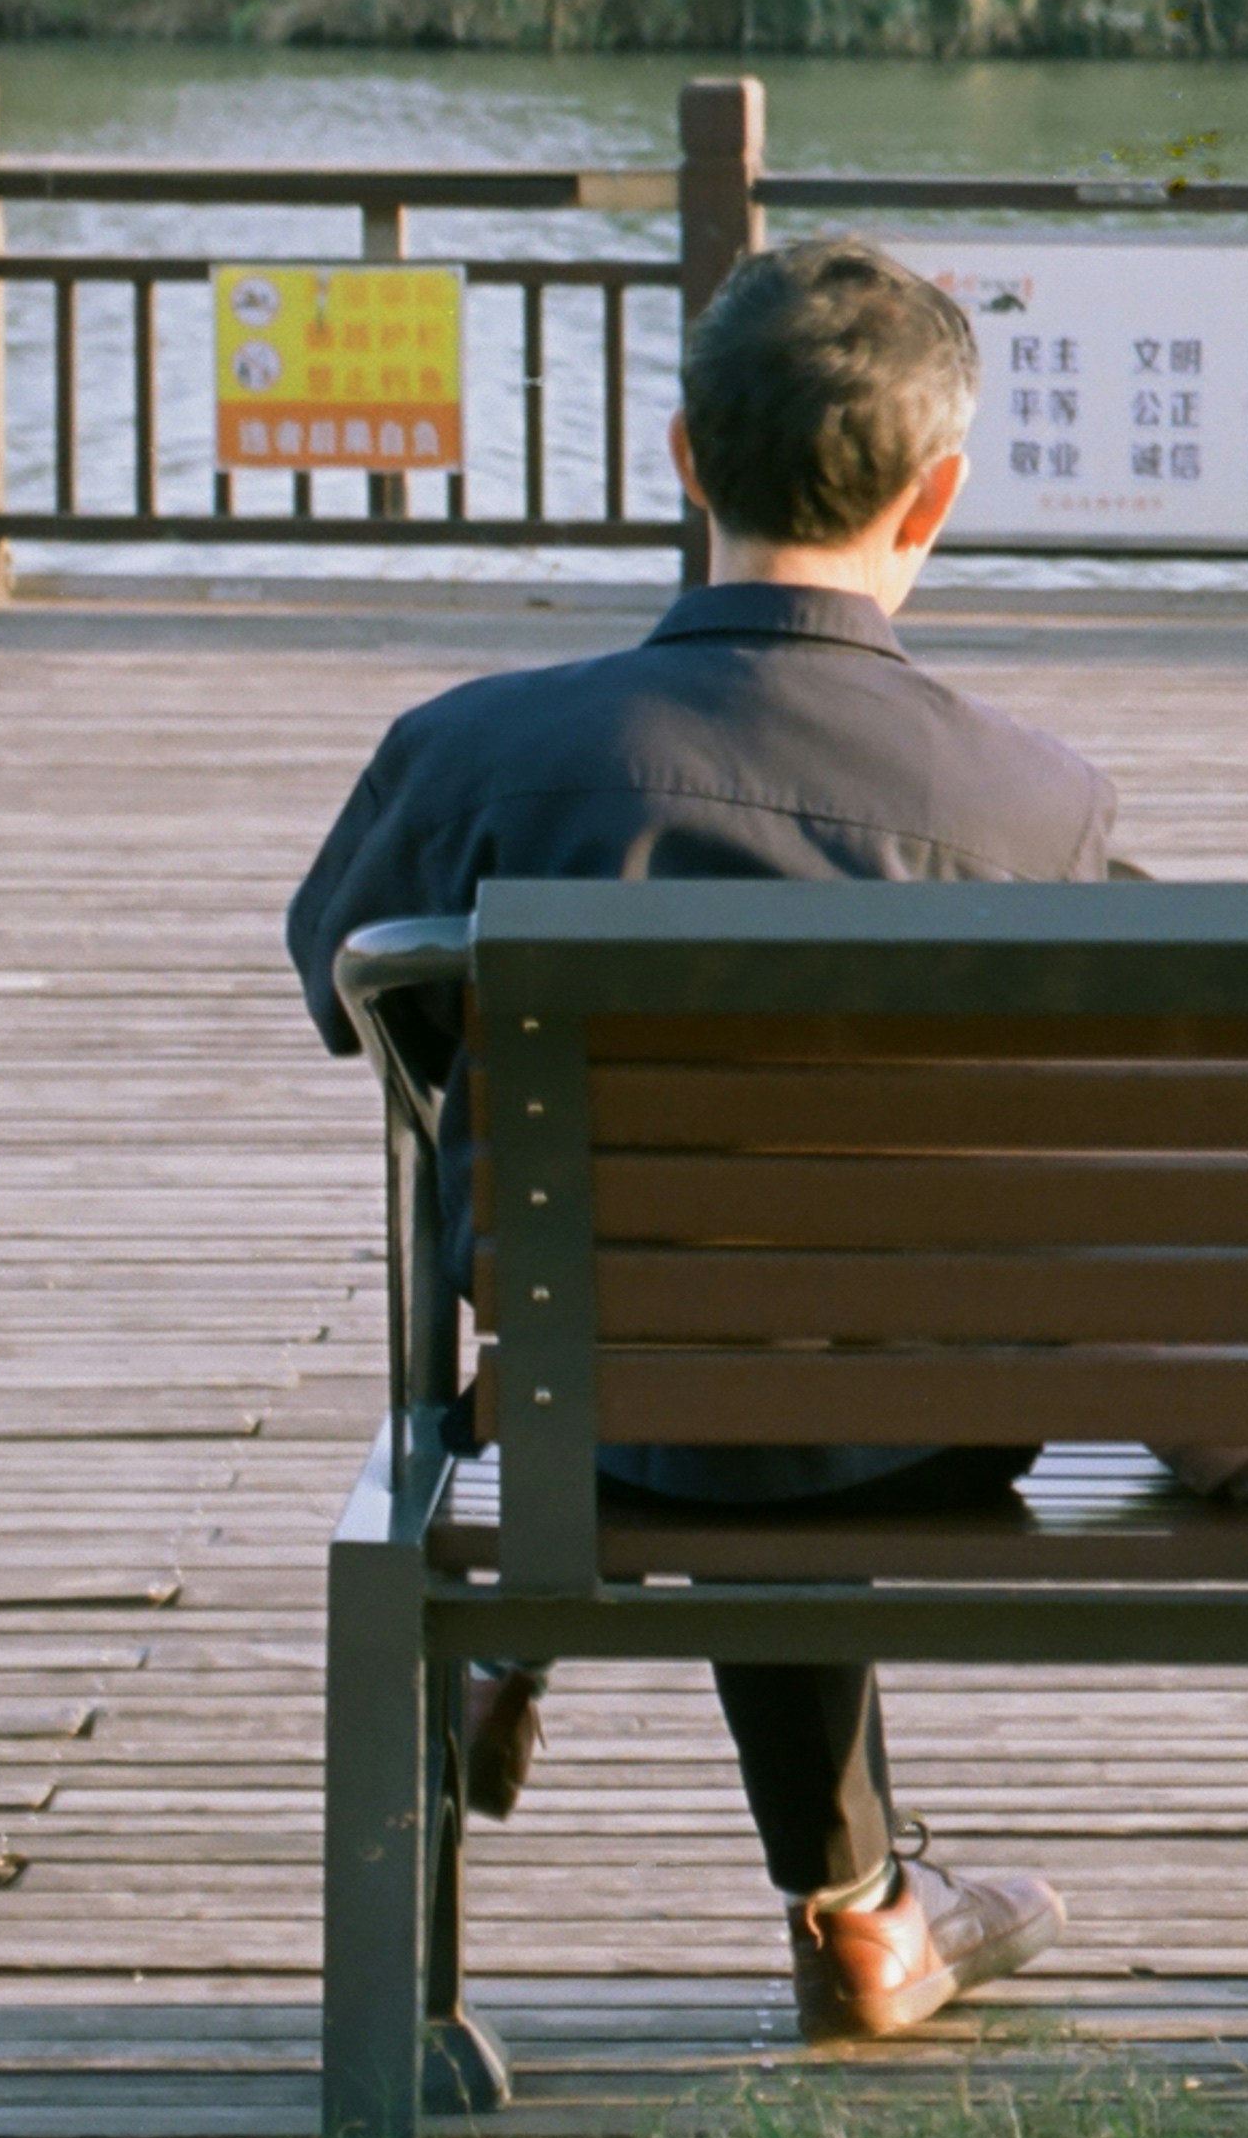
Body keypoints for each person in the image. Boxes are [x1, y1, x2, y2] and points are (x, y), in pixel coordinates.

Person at [286, 236, 1110, 2046]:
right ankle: (864, 1914)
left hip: (583, 1394)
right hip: (924, 1421)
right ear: (935, 497)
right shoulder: (1032, 803)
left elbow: (342, 984)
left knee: (679, 1329)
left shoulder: (475, 754)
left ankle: (823, 1874)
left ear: (682, 459)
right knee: (793, 1336)